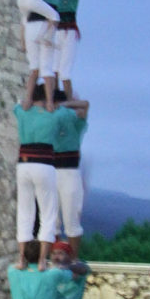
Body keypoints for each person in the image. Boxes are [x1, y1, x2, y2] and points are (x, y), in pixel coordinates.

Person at [15, 78, 61, 270]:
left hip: (23, 165)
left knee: (25, 213)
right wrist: (51, 101)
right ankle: (42, 260)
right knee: (48, 213)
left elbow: (21, 103)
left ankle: (21, 259)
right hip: (44, 164)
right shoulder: (54, 115)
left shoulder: (22, 112)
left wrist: (29, 97)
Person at [17, 0, 63, 111]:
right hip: (36, 8)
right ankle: (50, 102)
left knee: (34, 69)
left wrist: (23, 42)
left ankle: (27, 100)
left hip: (24, 6)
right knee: (46, 69)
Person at [51, 94, 89, 256]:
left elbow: (85, 105)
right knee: (52, 221)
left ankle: (73, 259)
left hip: (69, 171)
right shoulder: (52, 119)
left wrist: (65, 104)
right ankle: (56, 256)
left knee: (72, 219)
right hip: (51, 170)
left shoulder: (76, 123)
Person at [46, 0, 84, 101]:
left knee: (64, 72)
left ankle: (67, 101)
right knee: (53, 69)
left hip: (68, 29)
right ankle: (56, 99)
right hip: (56, 29)